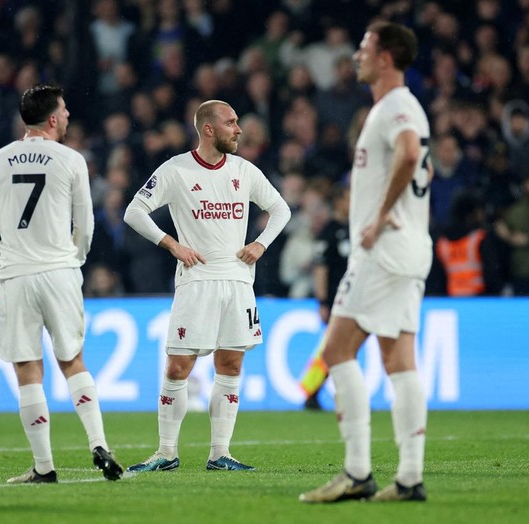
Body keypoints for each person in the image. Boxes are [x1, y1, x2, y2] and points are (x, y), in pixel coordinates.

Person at [0, 84, 123, 483]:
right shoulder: (71, 160)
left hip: (15, 276)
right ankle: (98, 441)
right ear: (52, 118)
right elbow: (85, 225)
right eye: (64, 110)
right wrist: (73, 260)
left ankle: (45, 467)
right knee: (72, 360)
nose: (67, 116)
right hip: (59, 272)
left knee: (28, 369)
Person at [299, 21, 431, 503]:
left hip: (383, 251)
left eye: (364, 48)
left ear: (387, 57)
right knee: (399, 360)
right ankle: (410, 478)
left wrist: (379, 215)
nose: (357, 55)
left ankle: (357, 472)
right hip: (411, 248)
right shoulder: (401, 107)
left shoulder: (396, 106)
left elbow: (410, 153)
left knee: (335, 351)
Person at [123, 99, 290, 472]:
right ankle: (166, 452)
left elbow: (281, 209)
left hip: (237, 282)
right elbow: (133, 211)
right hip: (197, 281)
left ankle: (220, 453)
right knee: (178, 367)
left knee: (230, 364)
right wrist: (172, 244)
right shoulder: (176, 170)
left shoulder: (245, 171)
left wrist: (260, 243)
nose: (239, 129)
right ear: (208, 129)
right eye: (231, 123)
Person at [299, 185, 350, 410]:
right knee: (335, 349)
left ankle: (315, 392)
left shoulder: (353, 229)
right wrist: (322, 301)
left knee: (339, 349)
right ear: (339, 202)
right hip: (335, 302)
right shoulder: (329, 232)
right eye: (349, 198)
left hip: (352, 299)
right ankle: (314, 391)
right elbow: (321, 269)